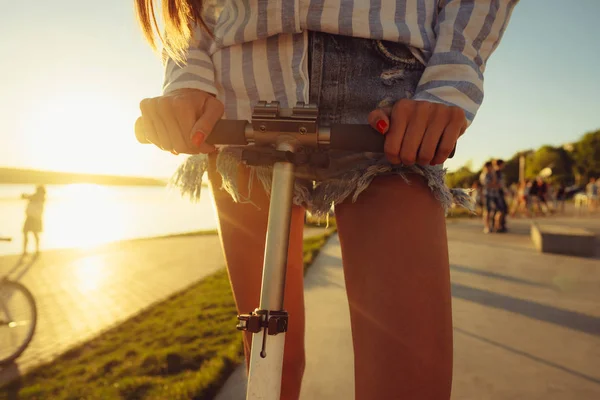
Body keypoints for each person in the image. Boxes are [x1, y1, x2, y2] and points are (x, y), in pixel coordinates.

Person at [133, 1, 518, 398]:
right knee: (269, 369)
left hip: (387, 96)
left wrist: (450, 81)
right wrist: (187, 79)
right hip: (241, 92)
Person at [21, 185, 46, 257]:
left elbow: (31, 197)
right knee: (26, 233)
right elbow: (27, 197)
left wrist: (26, 196)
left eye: (38, 190)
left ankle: (36, 250)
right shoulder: (36, 197)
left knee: (35, 234)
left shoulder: (40, 197)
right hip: (30, 217)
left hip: (35, 218)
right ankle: (26, 251)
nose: (36, 191)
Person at [493, 159, 508, 232]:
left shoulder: (497, 172)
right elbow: (497, 183)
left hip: (498, 193)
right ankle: (498, 226)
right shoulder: (497, 172)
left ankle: (500, 225)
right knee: (501, 210)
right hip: (498, 193)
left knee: (501, 209)